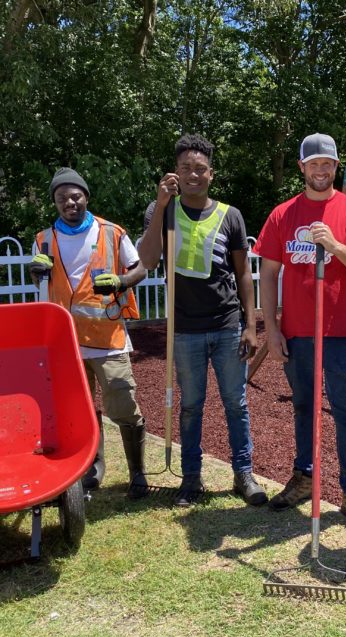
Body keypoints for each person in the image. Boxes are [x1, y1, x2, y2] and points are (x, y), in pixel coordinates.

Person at [254, 133, 346, 537]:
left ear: (335, 166)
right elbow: (269, 274)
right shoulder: (283, 215)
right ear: (302, 167)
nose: (321, 170)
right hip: (297, 332)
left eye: (327, 163)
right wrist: (272, 329)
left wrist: (335, 246)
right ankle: (303, 477)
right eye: (313, 163)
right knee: (303, 406)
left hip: (342, 333)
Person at [138, 134, 266, 508]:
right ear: (175, 172)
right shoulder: (162, 210)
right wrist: (161, 205)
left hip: (227, 325)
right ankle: (191, 477)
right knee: (191, 405)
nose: (193, 174)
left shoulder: (231, 215)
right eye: (185, 168)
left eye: (200, 168)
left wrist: (250, 325)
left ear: (211, 174)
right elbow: (148, 259)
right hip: (185, 330)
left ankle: (244, 473)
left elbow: (243, 274)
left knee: (236, 404)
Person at [29, 167, 149, 498]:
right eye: (62, 198)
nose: (70, 202)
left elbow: (140, 268)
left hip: (107, 338)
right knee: (80, 410)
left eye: (75, 196)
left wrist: (121, 281)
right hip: (66, 344)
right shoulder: (43, 239)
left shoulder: (111, 232)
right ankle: (93, 467)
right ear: (55, 202)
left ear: (86, 197)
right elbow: (41, 280)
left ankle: (137, 472)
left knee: (123, 406)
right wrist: (35, 271)